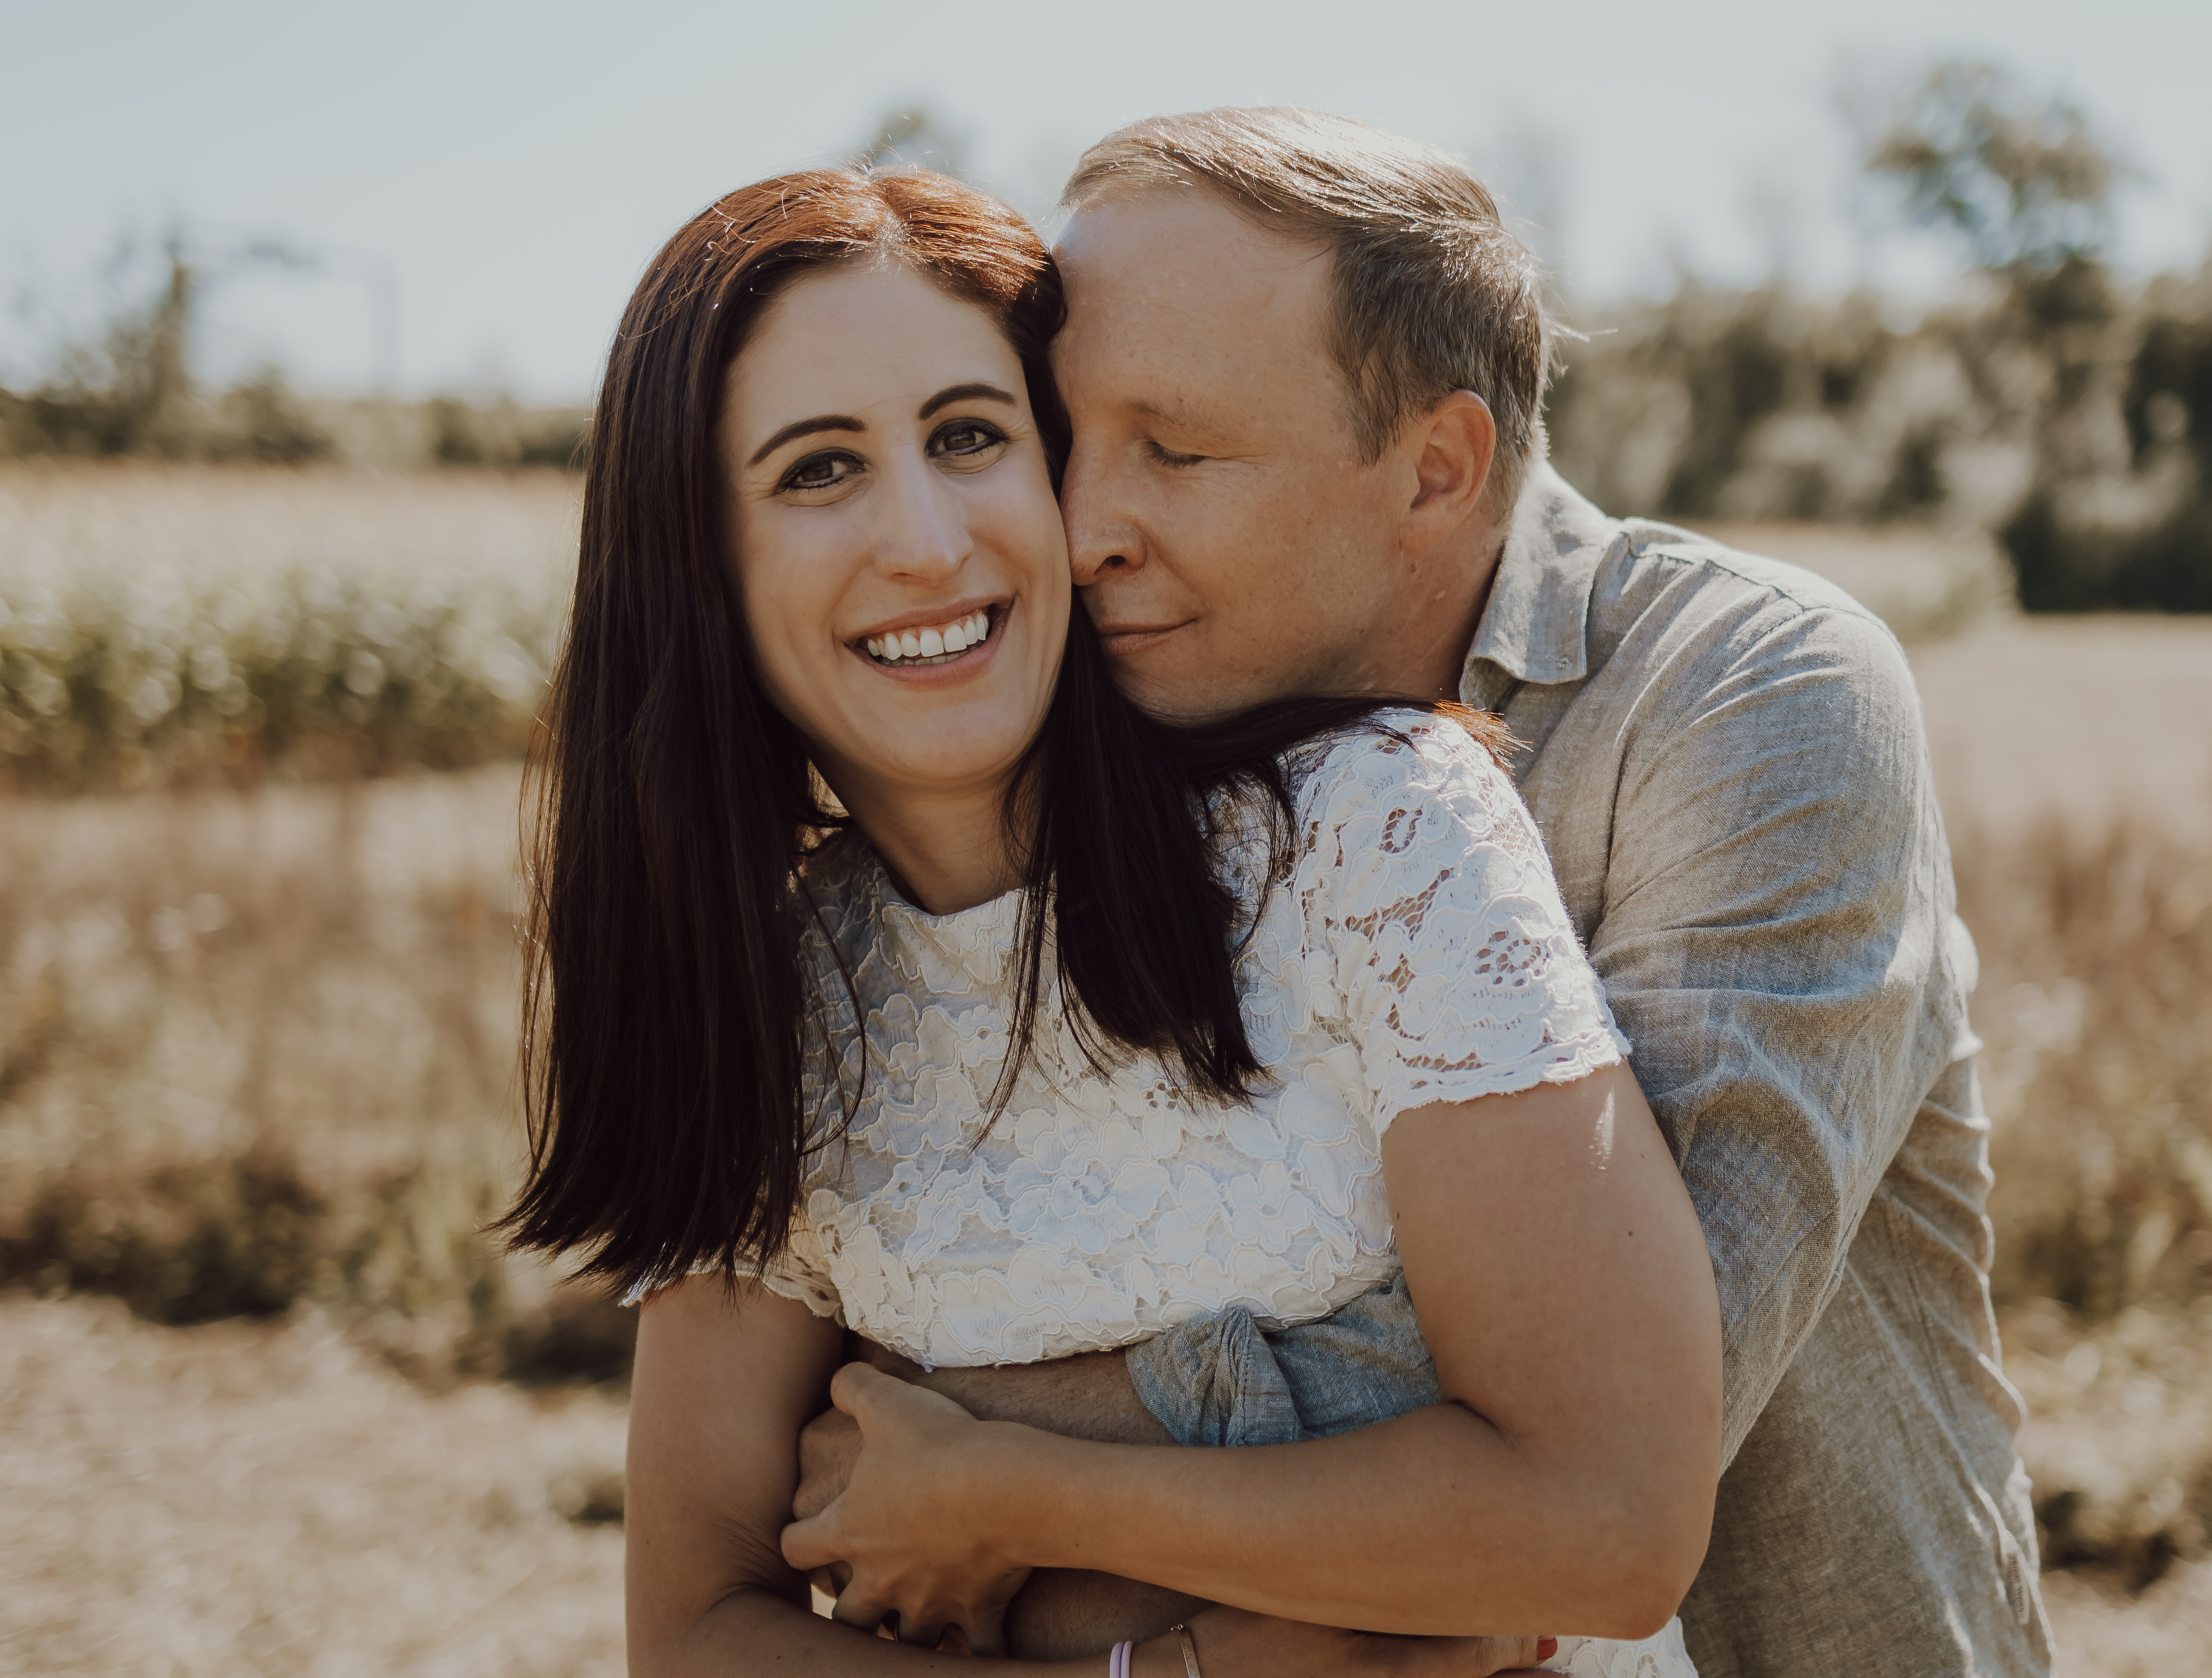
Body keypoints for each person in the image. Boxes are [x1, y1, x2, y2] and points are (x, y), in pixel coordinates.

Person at [786, 109, 2055, 1678]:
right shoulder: (1144, 717)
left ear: (1436, 469)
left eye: (1174, 451)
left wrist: (984, 1455)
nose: (1084, 529)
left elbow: (1622, 1407)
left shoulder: (1748, 695)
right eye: (1062, 441)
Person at [500, 162, 1724, 1678]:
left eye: (970, 438)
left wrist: (1000, 1492)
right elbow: (694, 1636)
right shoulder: (778, 988)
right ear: (698, 562)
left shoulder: (1372, 829)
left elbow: (1607, 1522)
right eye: (819, 470)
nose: (930, 541)